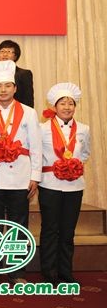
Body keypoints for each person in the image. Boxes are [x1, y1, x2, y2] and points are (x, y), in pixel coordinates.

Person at [0, 60, 42, 285]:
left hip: (21, 178)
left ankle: (17, 272)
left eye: (7, 86)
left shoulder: (29, 113)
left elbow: (36, 146)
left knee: (18, 226)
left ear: (15, 88)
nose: (3, 90)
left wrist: (35, 176)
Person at [39, 83, 90, 285]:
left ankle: (65, 272)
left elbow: (85, 154)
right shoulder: (42, 128)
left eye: (71, 103)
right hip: (49, 185)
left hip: (75, 186)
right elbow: (38, 156)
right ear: (54, 106)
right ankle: (49, 272)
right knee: (50, 229)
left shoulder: (84, 129)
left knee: (68, 231)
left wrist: (72, 167)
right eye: (63, 103)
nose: (67, 107)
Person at [0, 40, 34, 108]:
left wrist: (26, 112)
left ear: (15, 56)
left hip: (19, 111)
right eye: (2, 51)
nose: (5, 54)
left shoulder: (24, 74)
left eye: (9, 51)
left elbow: (28, 99)